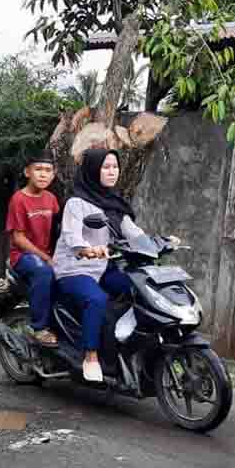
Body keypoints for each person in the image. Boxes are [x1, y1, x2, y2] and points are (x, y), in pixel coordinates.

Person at [52, 148, 148, 383]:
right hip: (75, 268)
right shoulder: (77, 203)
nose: (112, 171)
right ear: (93, 170)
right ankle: (91, 356)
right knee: (96, 299)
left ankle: (125, 347)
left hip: (103, 267)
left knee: (140, 287)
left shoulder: (114, 203)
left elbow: (134, 233)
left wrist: (158, 243)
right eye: (106, 167)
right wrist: (86, 249)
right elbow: (71, 236)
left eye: (115, 166)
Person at [4, 154, 61, 347]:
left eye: (48, 171)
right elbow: (18, 238)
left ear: (53, 175)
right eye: (38, 170)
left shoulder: (52, 199)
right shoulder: (18, 199)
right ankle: (40, 328)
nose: (43, 175)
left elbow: (57, 230)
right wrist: (46, 257)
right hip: (23, 256)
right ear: (27, 172)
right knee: (44, 272)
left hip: (48, 254)